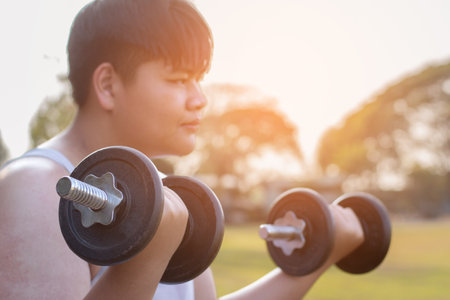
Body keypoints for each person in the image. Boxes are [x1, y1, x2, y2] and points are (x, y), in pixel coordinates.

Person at [0, 0, 364, 299]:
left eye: (199, 80)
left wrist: (317, 258)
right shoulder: (36, 189)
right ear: (108, 85)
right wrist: (144, 260)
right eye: (178, 80)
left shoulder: (167, 193)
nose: (200, 100)